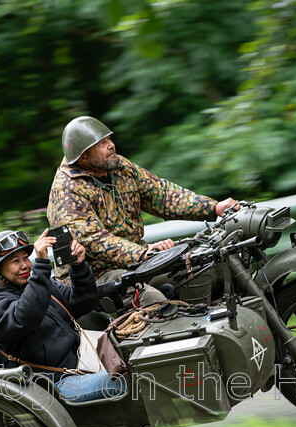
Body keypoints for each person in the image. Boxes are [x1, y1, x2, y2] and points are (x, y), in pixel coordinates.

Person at [47, 116, 239, 305]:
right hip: (94, 280)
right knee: (152, 300)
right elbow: (92, 240)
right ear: (84, 156)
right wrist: (142, 253)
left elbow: (162, 195)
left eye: (109, 139)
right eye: (101, 143)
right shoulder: (66, 190)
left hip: (134, 266)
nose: (111, 145)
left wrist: (213, 207)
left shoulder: (119, 167)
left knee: (201, 269)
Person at [0, 229, 126, 402]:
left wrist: (78, 266)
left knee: (138, 358)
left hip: (83, 360)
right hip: (52, 386)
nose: (24, 265)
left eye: (25, 258)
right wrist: (41, 266)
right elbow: (26, 315)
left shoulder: (37, 284)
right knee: (125, 381)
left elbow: (82, 303)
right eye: (15, 261)